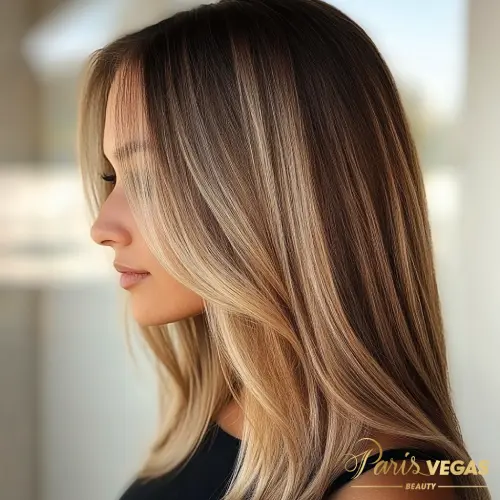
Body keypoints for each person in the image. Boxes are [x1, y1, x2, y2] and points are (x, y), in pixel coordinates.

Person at [76, 0, 491, 499]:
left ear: (271, 192)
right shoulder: (223, 418)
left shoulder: (389, 488)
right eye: (112, 176)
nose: (102, 226)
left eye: (148, 177)